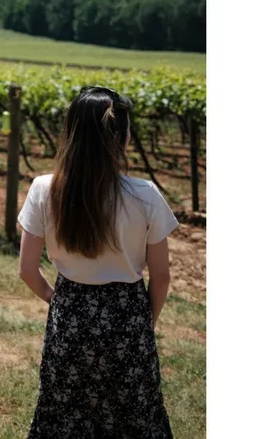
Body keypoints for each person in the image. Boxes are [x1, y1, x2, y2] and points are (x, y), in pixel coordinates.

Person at [17, 85, 179, 438]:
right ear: (123, 138)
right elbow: (162, 277)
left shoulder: (44, 189)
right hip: (128, 319)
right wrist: (140, 322)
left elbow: (27, 271)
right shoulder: (146, 195)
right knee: (134, 419)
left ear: (70, 133)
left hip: (70, 319)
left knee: (64, 417)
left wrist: (59, 302)